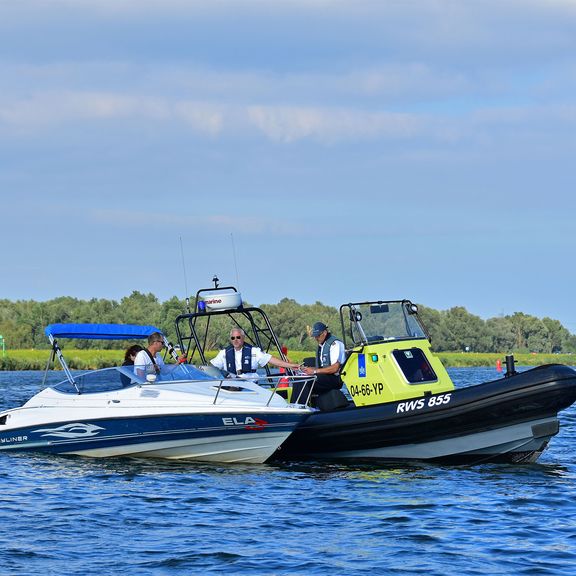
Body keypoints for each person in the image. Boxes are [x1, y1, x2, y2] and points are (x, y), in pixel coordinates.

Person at [291, 322, 346, 405]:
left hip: (334, 379)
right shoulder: (322, 345)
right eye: (315, 336)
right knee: (299, 377)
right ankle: (295, 405)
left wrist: (314, 372)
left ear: (324, 333)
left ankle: (300, 406)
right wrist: (304, 370)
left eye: (318, 335)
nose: (316, 338)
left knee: (306, 380)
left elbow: (335, 368)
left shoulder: (335, 344)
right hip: (325, 376)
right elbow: (322, 368)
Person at [210, 328, 300, 378]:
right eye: (233, 338)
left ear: (243, 337)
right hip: (231, 383)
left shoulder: (254, 351)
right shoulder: (223, 353)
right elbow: (212, 369)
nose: (236, 340)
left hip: (249, 383)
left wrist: (292, 366)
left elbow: (271, 360)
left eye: (238, 337)